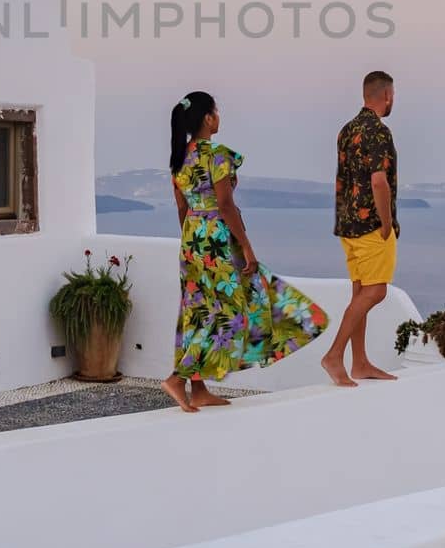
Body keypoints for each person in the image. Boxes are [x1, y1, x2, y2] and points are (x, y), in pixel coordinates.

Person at [163, 91, 328, 413]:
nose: (219, 116)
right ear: (208, 118)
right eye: (217, 111)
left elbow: (182, 209)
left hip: (193, 239)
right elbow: (225, 205)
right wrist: (248, 249)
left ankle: (198, 389)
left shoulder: (179, 158)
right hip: (219, 239)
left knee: (199, 311)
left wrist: (193, 242)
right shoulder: (218, 155)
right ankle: (177, 377)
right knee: (228, 312)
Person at [322, 70, 399, 388]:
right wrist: (385, 222)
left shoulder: (346, 130)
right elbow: (378, 181)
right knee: (376, 291)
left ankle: (360, 361)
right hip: (370, 226)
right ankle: (334, 356)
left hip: (347, 225)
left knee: (359, 291)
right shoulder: (378, 132)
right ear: (387, 95)